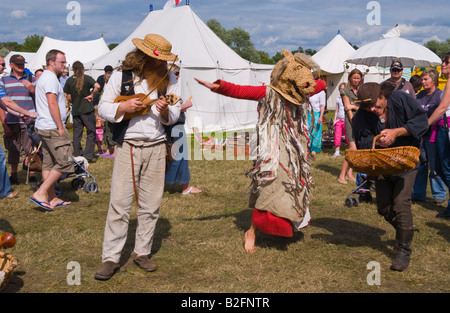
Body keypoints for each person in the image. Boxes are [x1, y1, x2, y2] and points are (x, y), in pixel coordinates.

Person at [196, 50, 319, 253]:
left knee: (293, 185)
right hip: (272, 146)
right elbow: (243, 91)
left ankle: (288, 223)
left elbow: (320, 84)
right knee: (271, 184)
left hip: (295, 146)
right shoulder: (270, 93)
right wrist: (220, 87)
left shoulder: (303, 91)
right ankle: (252, 231)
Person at [95, 33, 181, 280]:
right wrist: (122, 107)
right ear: (145, 57)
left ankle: (142, 252)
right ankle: (111, 258)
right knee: (119, 204)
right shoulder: (122, 75)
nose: (165, 64)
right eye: (160, 60)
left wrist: (165, 112)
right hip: (129, 147)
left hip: (156, 146)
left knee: (151, 205)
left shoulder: (169, 77)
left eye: (166, 60)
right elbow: (103, 107)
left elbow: (174, 113)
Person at [352, 82, 428, 271]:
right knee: (384, 208)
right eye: (367, 107)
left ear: (383, 96)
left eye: (376, 105)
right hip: (382, 164)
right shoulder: (362, 116)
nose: (373, 109)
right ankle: (405, 230)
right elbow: (362, 141)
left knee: (401, 202)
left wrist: (397, 132)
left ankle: (403, 249)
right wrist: (377, 140)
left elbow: (421, 121)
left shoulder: (401, 99)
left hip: (407, 161)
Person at [30, 49, 75, 211]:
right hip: (52, 127)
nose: (64, 65)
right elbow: (52, 103)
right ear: (51, 62)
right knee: (65, 161)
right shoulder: (50, 79)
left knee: (48, 164)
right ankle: (41, 192)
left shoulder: (46, 78)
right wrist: (61, 126)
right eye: (62, 62)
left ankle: (53, 197)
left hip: (44, 126)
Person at [0, 60, 38, 200]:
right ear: (11, 65)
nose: (21, 66)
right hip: (13, 120)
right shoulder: (3, 80)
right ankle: (10, 181)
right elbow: (5, 103)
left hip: (27, 120)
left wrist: (22, 113)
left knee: (31, 148)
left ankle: (32, 175)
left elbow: (39, 95)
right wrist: (5, 123)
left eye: (23, 64)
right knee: (10, 151)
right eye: (18, 64)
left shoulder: (30, 78)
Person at [165, 65, 201, 195]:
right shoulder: (167, 89)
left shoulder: (170, 89)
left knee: (177, 156)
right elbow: (168, 108)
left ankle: (184, 185)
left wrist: (181, 108)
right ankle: (184, 187)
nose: (178, 76)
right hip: (173, 128)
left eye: (178, 73)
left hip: (175, 127)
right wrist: (186, 105)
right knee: (175, 157)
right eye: (176, 73)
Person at [412, 68, 446, 203]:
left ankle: (439, 194)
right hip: (420, 135)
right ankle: (419, 194)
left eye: (426, 79)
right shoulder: (419, 95)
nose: (423, 81)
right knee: (420, 164)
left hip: (434, 135)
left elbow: (441, 113)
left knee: (434, 165)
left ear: (434, 80)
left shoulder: (439, 95)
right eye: (422, 79)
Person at [63, 61, 100, 162]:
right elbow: (97, 86)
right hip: (87, 109)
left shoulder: (69, 80)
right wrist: (92, 95)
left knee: (77, 133)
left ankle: (78, 154)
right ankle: (88, 155)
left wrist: (75, 99)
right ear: (82, 68)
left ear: (73, 69)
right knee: (91, 132)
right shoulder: (87, 78)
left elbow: (69, 97)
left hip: (76, 110)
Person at [428, 52, 450, 218]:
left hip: (446, 128)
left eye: (447, 62)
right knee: (443, 168)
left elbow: (442, 108)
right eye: (443, 62)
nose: (443, 65)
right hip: (443, 127)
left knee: (446, 169)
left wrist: (425, 124)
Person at [337, 69, 363, 184]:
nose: (356, 80)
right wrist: (354, 122)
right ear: (350, 78)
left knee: (356, 149)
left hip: (361, 120)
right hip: (351, 121)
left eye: (358, 78)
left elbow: (362, 106)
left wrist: (356, 107)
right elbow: (348, 108)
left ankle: (349, 173)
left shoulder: (361, 90)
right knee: (352, 149)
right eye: (354, 78)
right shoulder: (345, 90)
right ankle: (341, 175)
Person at [308, 75, 326, 155]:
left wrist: (321, 116)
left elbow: (322, 105)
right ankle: (308, 146)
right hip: (309, 113)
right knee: (308, 129)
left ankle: (314, 148)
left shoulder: (321, 93)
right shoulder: (310, 92)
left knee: (316, 131)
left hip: (317, 113)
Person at [332, 83, 347, 158]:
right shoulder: (338, 99)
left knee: (348, 136)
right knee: (337, 136)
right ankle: (337, 152)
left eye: (343, 88)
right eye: (341, 89)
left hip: (346, 120)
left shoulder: (348, 99)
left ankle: (350, 150)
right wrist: (335, 120)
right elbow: (336, 110)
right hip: (339, 120)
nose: (342, 90)